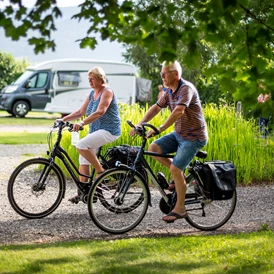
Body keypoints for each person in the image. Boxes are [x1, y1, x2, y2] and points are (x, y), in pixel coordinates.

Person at [130, 60, 208, 223]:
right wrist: (140, 124)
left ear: (176, 74)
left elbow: (179, 111)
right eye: (161, 73)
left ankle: (180, 208)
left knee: (175, 168)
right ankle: (180, 178)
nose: (162, 76)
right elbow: (156, 108)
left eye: (164, 73)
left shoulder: (186, 89)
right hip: (179, 134)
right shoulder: (169, 91)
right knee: (154, 148)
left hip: (194, 137)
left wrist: (160, 128)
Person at [59, 66, 121, 203]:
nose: (90, 81)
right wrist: (63, 120)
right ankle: (83, 192)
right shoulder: (92, 94)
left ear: (100, 79)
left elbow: (100, 112)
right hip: (96, 130)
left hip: (109, 130)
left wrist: (82, 123)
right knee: (83, 159)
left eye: (92, 79)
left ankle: (101, 172)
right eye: (89, 79)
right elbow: (80, 112)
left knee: (81, 145)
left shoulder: (107, 92)